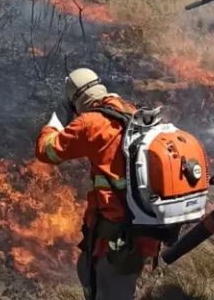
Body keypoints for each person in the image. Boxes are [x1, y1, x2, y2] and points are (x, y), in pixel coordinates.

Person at [35, 68, 160, 300]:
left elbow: (47, 151)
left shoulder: (91, 122)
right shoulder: (131, 111)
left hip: (116, 232)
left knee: (110, 289)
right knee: (105, 277)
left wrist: (58, 119)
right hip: (145, 222)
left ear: (77, 101)